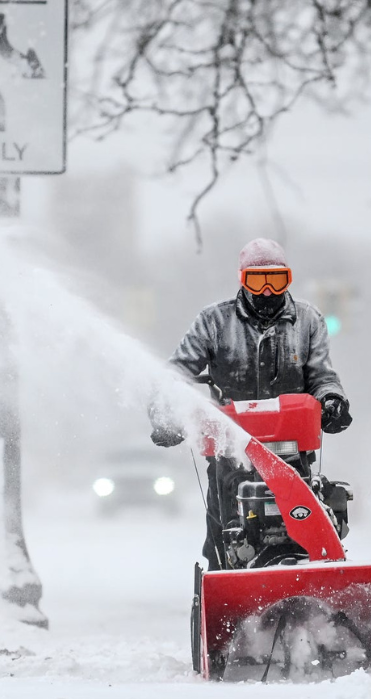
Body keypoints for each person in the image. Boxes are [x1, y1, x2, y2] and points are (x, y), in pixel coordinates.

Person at [150, 238, 351, 568]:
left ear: (288, 280)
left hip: (292, 450)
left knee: (307, 519)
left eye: (277, 279)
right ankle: (224, 576)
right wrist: (167, 413)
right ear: (242, 280)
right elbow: (178, 371)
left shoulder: (307, 320)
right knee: (223, 530)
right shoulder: (214, 322)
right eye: (258, 280)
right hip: (231, 450)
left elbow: (321, 374)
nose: (268, 290)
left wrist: (332, 400)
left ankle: (314, 567)